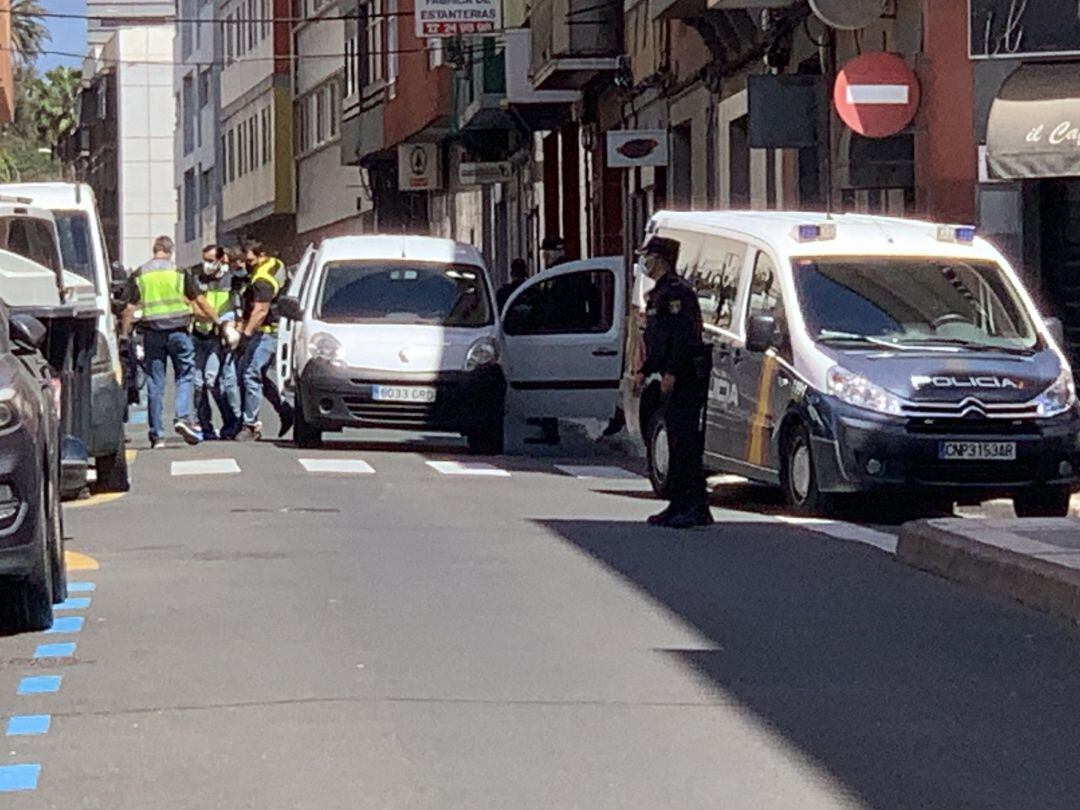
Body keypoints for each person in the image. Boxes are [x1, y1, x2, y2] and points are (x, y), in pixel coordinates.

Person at [633, 236, 712, 529]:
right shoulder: (658, 295)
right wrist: (644, 370)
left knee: (686, 442)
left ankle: (695, 506)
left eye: (648, 257)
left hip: (684, 378)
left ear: (662, 259)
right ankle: (678, 503)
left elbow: (684, 338)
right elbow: (658, 341)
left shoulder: (679, 294)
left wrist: (673, 372)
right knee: (675, 442)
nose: (644, 262)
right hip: (667, 375)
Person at [121, 235, 218, 449]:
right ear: (170, 251)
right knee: (185, 375)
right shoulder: (179, 272)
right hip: (179, 332)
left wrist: (124, 333)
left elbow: (129, 308)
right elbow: (199, 300)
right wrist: (217, 320)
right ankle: (182, 418)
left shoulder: (140, 273)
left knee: (155, 383)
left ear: (155, 250)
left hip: (152, 333)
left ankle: (157, 436)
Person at [234, 240, 293, 442]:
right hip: (273, 329)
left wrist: (245, 335)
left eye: (248, 259)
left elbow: (261, 310)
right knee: (253, 373)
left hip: (268, 331)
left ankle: (251, 425)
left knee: (250, 374)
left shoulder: (262, 278)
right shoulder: (275, 264)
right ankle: (285, 411)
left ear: (260, 255)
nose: (245, 263)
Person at [192, 245, 242, 439]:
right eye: (205, 259)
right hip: (199, 335)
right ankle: (205, 426)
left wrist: (231, 327)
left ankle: (232, 420)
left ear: (222, 260)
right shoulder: (197, 279)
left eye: (211, 260)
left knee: (213, 380)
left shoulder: (233, 280)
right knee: (198, 384)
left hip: (220, 338)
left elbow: (238, 309)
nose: (207, 264)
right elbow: (192, 305)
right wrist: (208, 317)